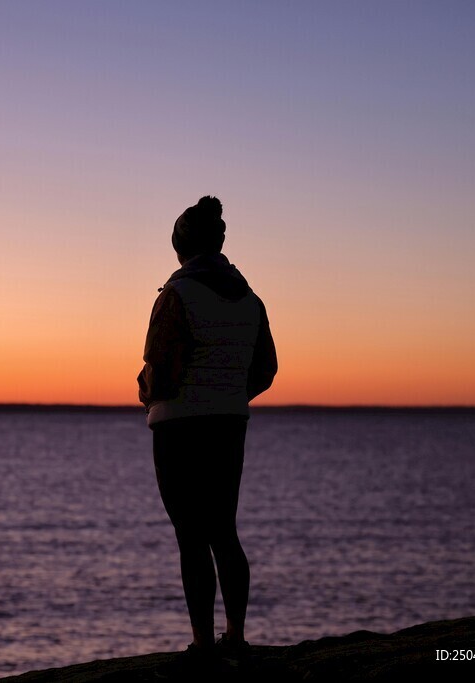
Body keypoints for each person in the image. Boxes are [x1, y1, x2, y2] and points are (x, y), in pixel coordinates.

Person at [138, 195, 278, 669]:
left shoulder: (175, 296)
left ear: (181, 246)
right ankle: (235, 635)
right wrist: (228, 396)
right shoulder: (251, 300)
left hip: (178, 428)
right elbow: (265, 369)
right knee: (225, 530)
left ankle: (202, 643)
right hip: (229, 425)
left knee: (190, 536)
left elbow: (161, 367)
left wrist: (148, 394)